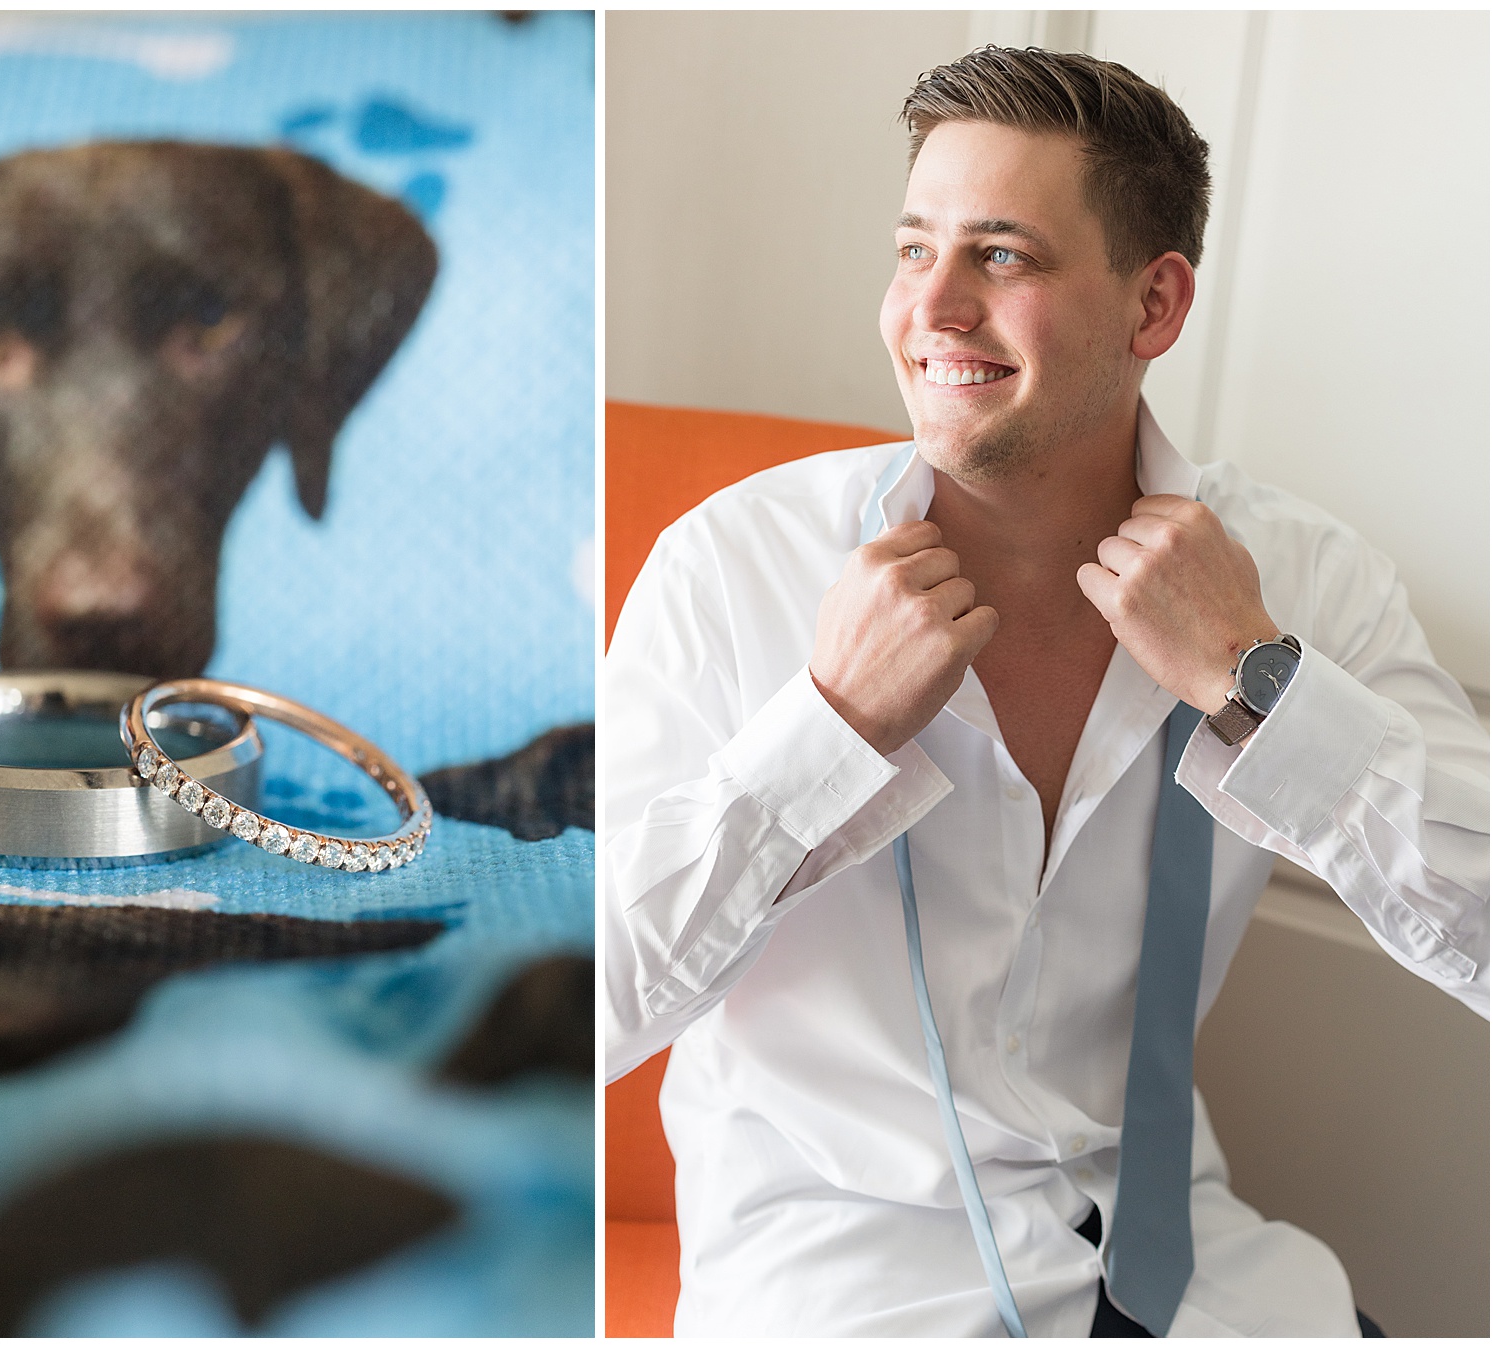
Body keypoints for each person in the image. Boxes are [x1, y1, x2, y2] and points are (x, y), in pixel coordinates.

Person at [604, 45, 1488, 1338]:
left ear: (1154, 306)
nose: (936, 308)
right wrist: (828, 734)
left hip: (1202, 1278)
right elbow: (592, 1007)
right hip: (850, 1289)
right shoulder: (731, 568)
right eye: (916, 250)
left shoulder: (1303, 576)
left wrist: (1264, 688)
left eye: (1002, 255)